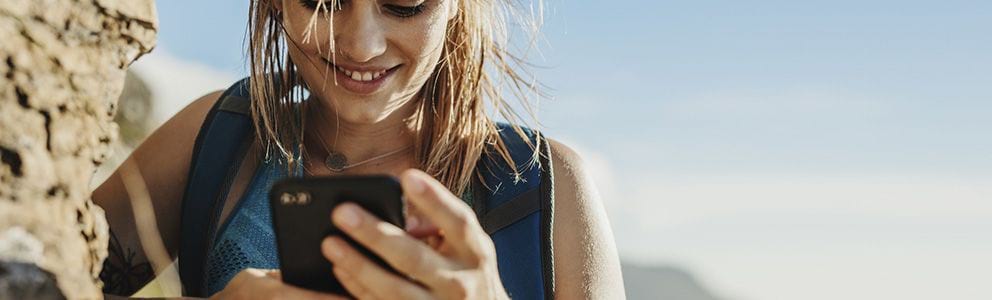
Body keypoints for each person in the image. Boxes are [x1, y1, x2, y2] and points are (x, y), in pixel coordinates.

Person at [93, 0, 624, 298]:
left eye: (405, 2)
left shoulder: (548, 188)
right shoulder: (215, 137)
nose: (360, 45)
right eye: (323, 1)